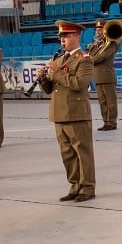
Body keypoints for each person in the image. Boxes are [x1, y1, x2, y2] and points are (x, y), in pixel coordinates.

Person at [38, 21, 96, 202]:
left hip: (76, 112)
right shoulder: (58, 60)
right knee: (67, 153)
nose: (63, 40)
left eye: (67, 36)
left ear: (77, 37)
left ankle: (87, 187)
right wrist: (42, 78)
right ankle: (74, 185)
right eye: (61, 37)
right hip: (59, 112)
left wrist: (56, 73)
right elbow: (49, 89)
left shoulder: (85, 59)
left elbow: (79, 84)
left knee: (82, 152)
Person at [89, 18, 122, 131]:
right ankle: (106, 121)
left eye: (100, 29)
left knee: (110, 101)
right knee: (102, 101)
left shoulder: (111, 42)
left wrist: (89, 59)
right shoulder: (98, 44)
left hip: (106, 75)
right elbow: (91, 54)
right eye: (97, 29)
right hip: (98, 76)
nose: (98, 31)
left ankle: (112, 122)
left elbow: (102, 57)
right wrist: (93, 47)